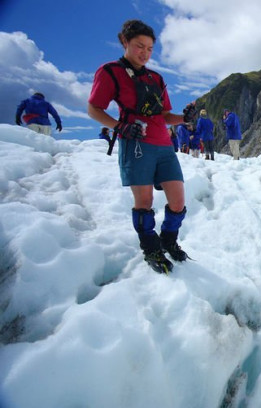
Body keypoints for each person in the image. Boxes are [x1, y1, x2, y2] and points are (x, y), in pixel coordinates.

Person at [87, 19, 197, 274]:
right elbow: (93, 108)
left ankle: (168, 240)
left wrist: (185, 118)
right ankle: (151, 248)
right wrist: (119, 126)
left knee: (178, 201)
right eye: (139, 46)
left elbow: (166, 116)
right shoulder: (110, 71)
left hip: (163, 145)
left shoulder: (156, 78)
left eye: (149, 48)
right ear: (125, 42)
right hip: (136, 145)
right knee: (144, 201)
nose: (145, 53)